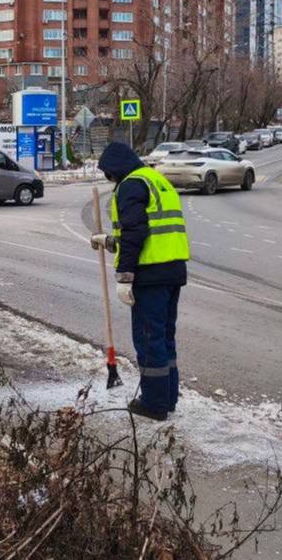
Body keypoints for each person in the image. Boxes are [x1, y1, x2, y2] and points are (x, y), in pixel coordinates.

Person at [91, 142, 189, 421]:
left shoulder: (131, 185)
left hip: (150, 276)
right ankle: (167, 399)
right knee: (164, 338)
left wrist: (124, 277)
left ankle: (154, 404)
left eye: (109, 174)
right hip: (173, 271)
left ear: (116, 168)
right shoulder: (156, 180)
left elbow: (136, 233)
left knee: (149, 340)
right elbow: (149, 232)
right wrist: (108, 241)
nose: (110, 180)